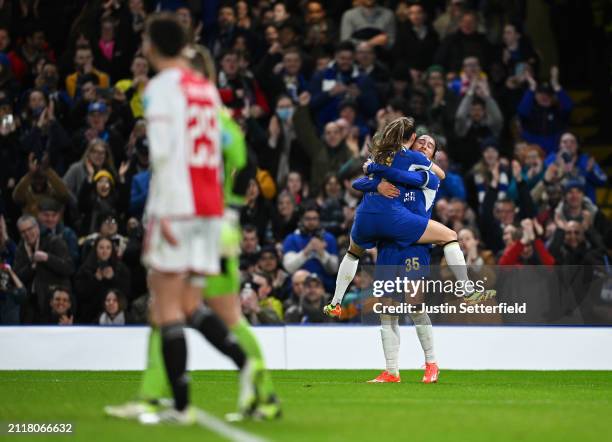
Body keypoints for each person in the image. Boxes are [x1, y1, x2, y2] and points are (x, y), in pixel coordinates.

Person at [325, 118, 490, 320]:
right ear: (412, 140)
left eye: (430, 145)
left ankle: (431, 349)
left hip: (413, 242)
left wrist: (376, 169)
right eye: (421, 141)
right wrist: (376, 185)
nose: (424, 146)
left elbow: (419, 178)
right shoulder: (401, 158)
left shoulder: (426, 174)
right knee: (387, 312)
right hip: (392, 234)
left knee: (415, 306)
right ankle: (337, 304)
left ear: (433, 155)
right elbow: (359, 183)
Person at [13, 215, 73, 323]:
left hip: (53, 303)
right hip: (30, 306)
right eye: (23, 232)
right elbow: (17, 277)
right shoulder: (21, 249)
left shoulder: (54, 241)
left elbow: (68, 268)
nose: (27, 234)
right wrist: (32, 266)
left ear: (37, 227)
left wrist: (47, 258)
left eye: (29, 229)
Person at [282, 204, 339, 293]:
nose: (311, 222)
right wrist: (307, 250)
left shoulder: (329, 238)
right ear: (301, 219)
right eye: (308, 219)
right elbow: (289, 268)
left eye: (314, 219)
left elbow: (334, 269)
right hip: (298, 290)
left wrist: (322, 252)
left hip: (326, 289)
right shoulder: (291, 239)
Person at [74, 236, 131, 324]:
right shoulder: (85, 269)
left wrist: (113, 278)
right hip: (90, 316)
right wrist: (95, 280)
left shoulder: (121, 268)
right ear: (95, 249)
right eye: (101, 248)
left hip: (116, 316)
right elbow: (80, 294)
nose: (104, 251)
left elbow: (126, 292)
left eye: (108, 248)